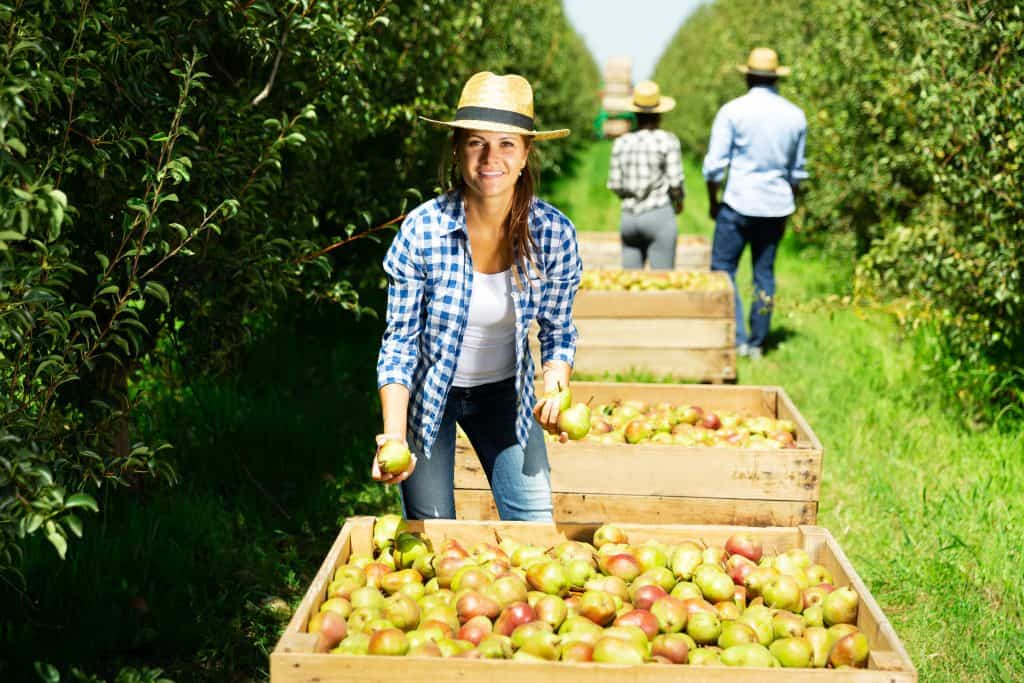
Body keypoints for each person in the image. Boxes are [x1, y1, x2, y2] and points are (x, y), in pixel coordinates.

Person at [372, 71, 582, 521]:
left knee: (535, 527)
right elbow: (400, 344)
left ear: (526, 155)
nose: (491, 157)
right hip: (432, 394)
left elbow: (558, 331)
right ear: (457, 150)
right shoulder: (424, 230)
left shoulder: (554, 234)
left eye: (507, 144)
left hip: (506, 393)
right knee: (433, 534)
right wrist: (393, 436)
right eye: (476, 143)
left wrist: (555, 390)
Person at [703, 48, 808, 360]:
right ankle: (758, 343)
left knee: (724, 270)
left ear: (747, 76)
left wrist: (713, 200)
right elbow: (797, 172)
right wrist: (789, 202)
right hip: (775, 206)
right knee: (764, 273)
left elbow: (714, 166)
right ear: (777, 79)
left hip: (738, 202)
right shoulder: (795, 115)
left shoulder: (733, 111)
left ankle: (735, 338)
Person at [606, 81, 685, 270]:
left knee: (631, 285)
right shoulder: (667, 140)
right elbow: (675, 182)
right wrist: (679, 201)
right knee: (662, 282)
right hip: (659, 215)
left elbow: (615, 184)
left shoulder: (621, 143)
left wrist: (630, 195)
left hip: (629, 219)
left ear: (635, 114)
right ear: (659, 113)